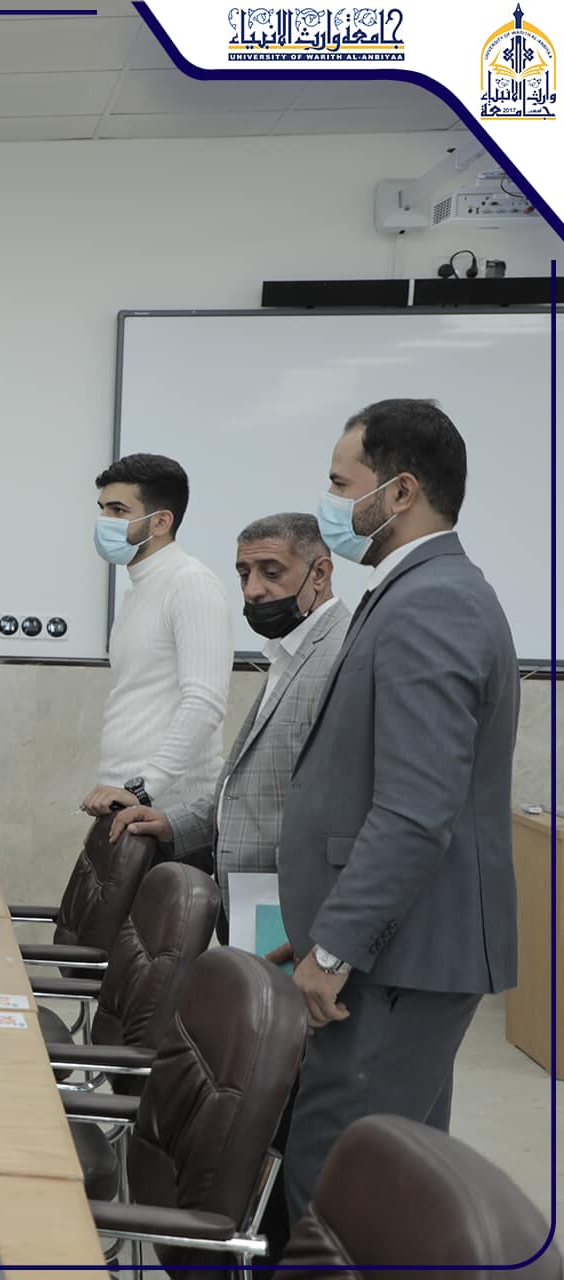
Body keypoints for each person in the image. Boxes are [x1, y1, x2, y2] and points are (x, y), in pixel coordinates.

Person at [277, 398, 518, 1226]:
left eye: (342, 484)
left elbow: (416, 808)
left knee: (334, 1187)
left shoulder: (434, 601)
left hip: (394, 962)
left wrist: (336, 945)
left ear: (402, 490)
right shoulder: (415, 590)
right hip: (395, 953)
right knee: (390, 1181)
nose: (330, 503)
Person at [112, 512, 349, 944]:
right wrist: (171, 824)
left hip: (295, 916)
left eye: (271, 573)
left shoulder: (341, 656)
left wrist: (329, 944)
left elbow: (350, 816)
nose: (253, 590)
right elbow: (249, 792)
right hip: (251, 906)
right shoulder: (289, 654)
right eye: (244, 574)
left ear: (320, 573)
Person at [81, 453, 231, 820]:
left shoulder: (191, 584)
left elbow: (204, 703)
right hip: (123, 799)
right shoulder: (138, 590)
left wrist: (143, 787)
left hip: (167, 811)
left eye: (118, 510)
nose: (105, 521)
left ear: (161, 521)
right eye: (103, 509)